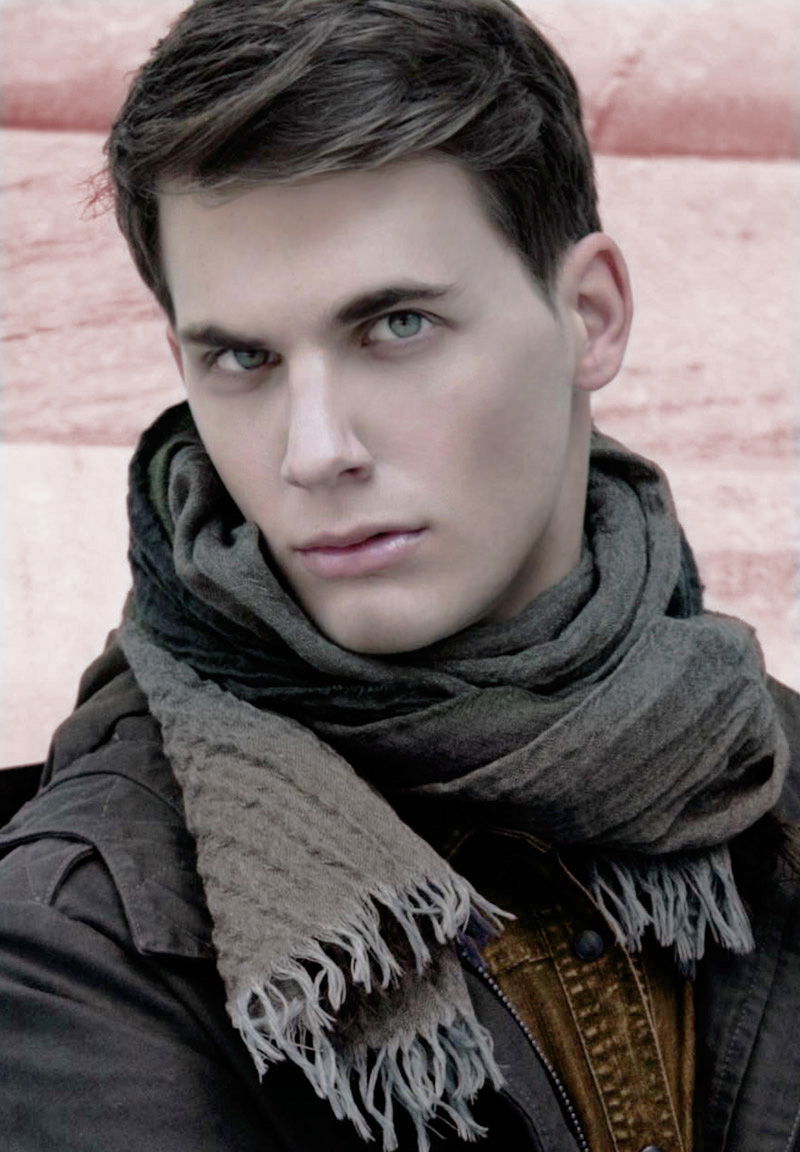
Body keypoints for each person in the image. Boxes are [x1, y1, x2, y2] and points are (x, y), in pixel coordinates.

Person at [1, 0, 798, 1149]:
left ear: (589, 317)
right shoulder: (78, 939)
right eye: (243, 359)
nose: (313, 450)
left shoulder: (766, 770)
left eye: (397, 326)